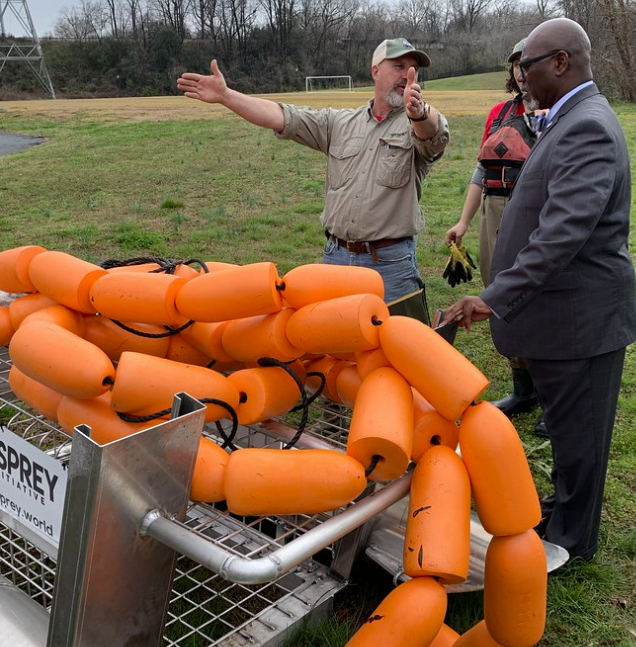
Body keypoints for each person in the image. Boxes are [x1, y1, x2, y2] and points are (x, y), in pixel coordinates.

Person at [442, 18, 636, 562]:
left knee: (580, 442)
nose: (520, 76)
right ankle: (564, 511)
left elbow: (561, 235)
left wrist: (493, 296)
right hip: (560, 320)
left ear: (560, 63)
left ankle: (572, 545)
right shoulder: (567, 117)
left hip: (580, 321)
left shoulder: (588, 125)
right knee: (572, 438)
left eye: (527, 65)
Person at [177, 39, 450, 306]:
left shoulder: (417, 122)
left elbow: (432, 133)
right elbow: (282, 116)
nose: (407, 76)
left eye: (413, 69)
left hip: (390, 264)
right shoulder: (339, 123)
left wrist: (419, 113)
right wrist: (226, 96)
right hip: (337, 258)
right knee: (336, 345)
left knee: (397, 346)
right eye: (399, 66)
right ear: (375, 71)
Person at [445, 39, 545, 428]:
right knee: (498, 293)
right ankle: (524, 389)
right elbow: (481, 172)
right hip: (493, 211)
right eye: (517, 64)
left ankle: (551, 395)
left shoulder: (556, 114)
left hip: (534, 214)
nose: (522, 71)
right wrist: (464, 222)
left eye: (528, 63)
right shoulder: (499, 114)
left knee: (535, 300)